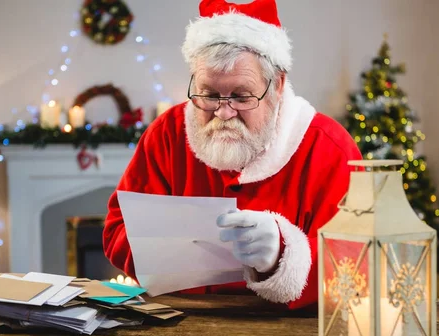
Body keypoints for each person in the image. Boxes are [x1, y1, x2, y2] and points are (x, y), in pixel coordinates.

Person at [103, 0, 362, 309]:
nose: (224, 113)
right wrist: (164, 251)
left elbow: (355, 265)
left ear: (276, 85)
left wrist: (283, 255)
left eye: (241, 96)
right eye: (209, 95)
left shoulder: (329, 148)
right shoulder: (166, 134)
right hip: (181, 325)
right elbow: (117, 229)